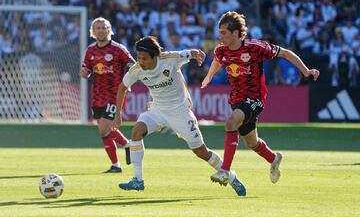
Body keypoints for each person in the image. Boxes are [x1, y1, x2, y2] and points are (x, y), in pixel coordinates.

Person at [201, 11, 320, 194]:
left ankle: (225, 170)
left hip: (255, 98)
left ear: (235, 33)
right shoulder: (221, 50)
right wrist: (208, 77)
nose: (220, 36)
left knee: (231, 121)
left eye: (224, 32)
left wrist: (305, 71)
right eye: (220, 32)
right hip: (237, 99)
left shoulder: (255, 47)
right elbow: (218, 61)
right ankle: (274, 158)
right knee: (251, 142)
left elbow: (286, 54)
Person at [112, 36, 245, 195]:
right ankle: (138, 180)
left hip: (180, 113)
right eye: (139, 57)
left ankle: (231, 177)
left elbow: (189, 53)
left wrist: (196, 53)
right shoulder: (136, 70)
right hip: (158, 110)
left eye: (144, 58)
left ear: (155, 56)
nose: (141, 61)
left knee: (201, 152)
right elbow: (122, 88)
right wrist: (118, 113)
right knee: (136, 132)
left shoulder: (169, 59)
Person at [80, 17, 134, 173]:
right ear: (93, 31)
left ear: (109, 30)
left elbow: (132, 64)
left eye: (103, 27)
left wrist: (127, 81)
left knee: (104, 129)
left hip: (115, 94)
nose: (100, 30)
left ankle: (126, 145)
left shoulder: (118, 49)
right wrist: (84, 73)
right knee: (105, 131)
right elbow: (87, 71)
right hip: (98, 95)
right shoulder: (90, 50)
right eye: (97, 28)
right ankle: (116, 164)